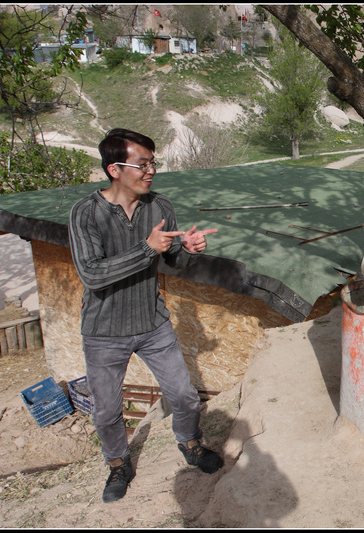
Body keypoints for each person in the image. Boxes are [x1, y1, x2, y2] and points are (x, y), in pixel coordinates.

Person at [69, 128, 221, 503]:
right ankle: (119, 464)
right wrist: (146, 248)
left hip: (153, 324)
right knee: (106, 412)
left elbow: (173, 260)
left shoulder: (160, 207)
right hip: (104, 332)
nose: (151, 170)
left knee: (184, 397)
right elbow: (92, 273)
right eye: (143, 163)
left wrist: (191, 249)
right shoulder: (85, 214)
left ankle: (190, 443)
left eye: (153, 162)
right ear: (114, 169)